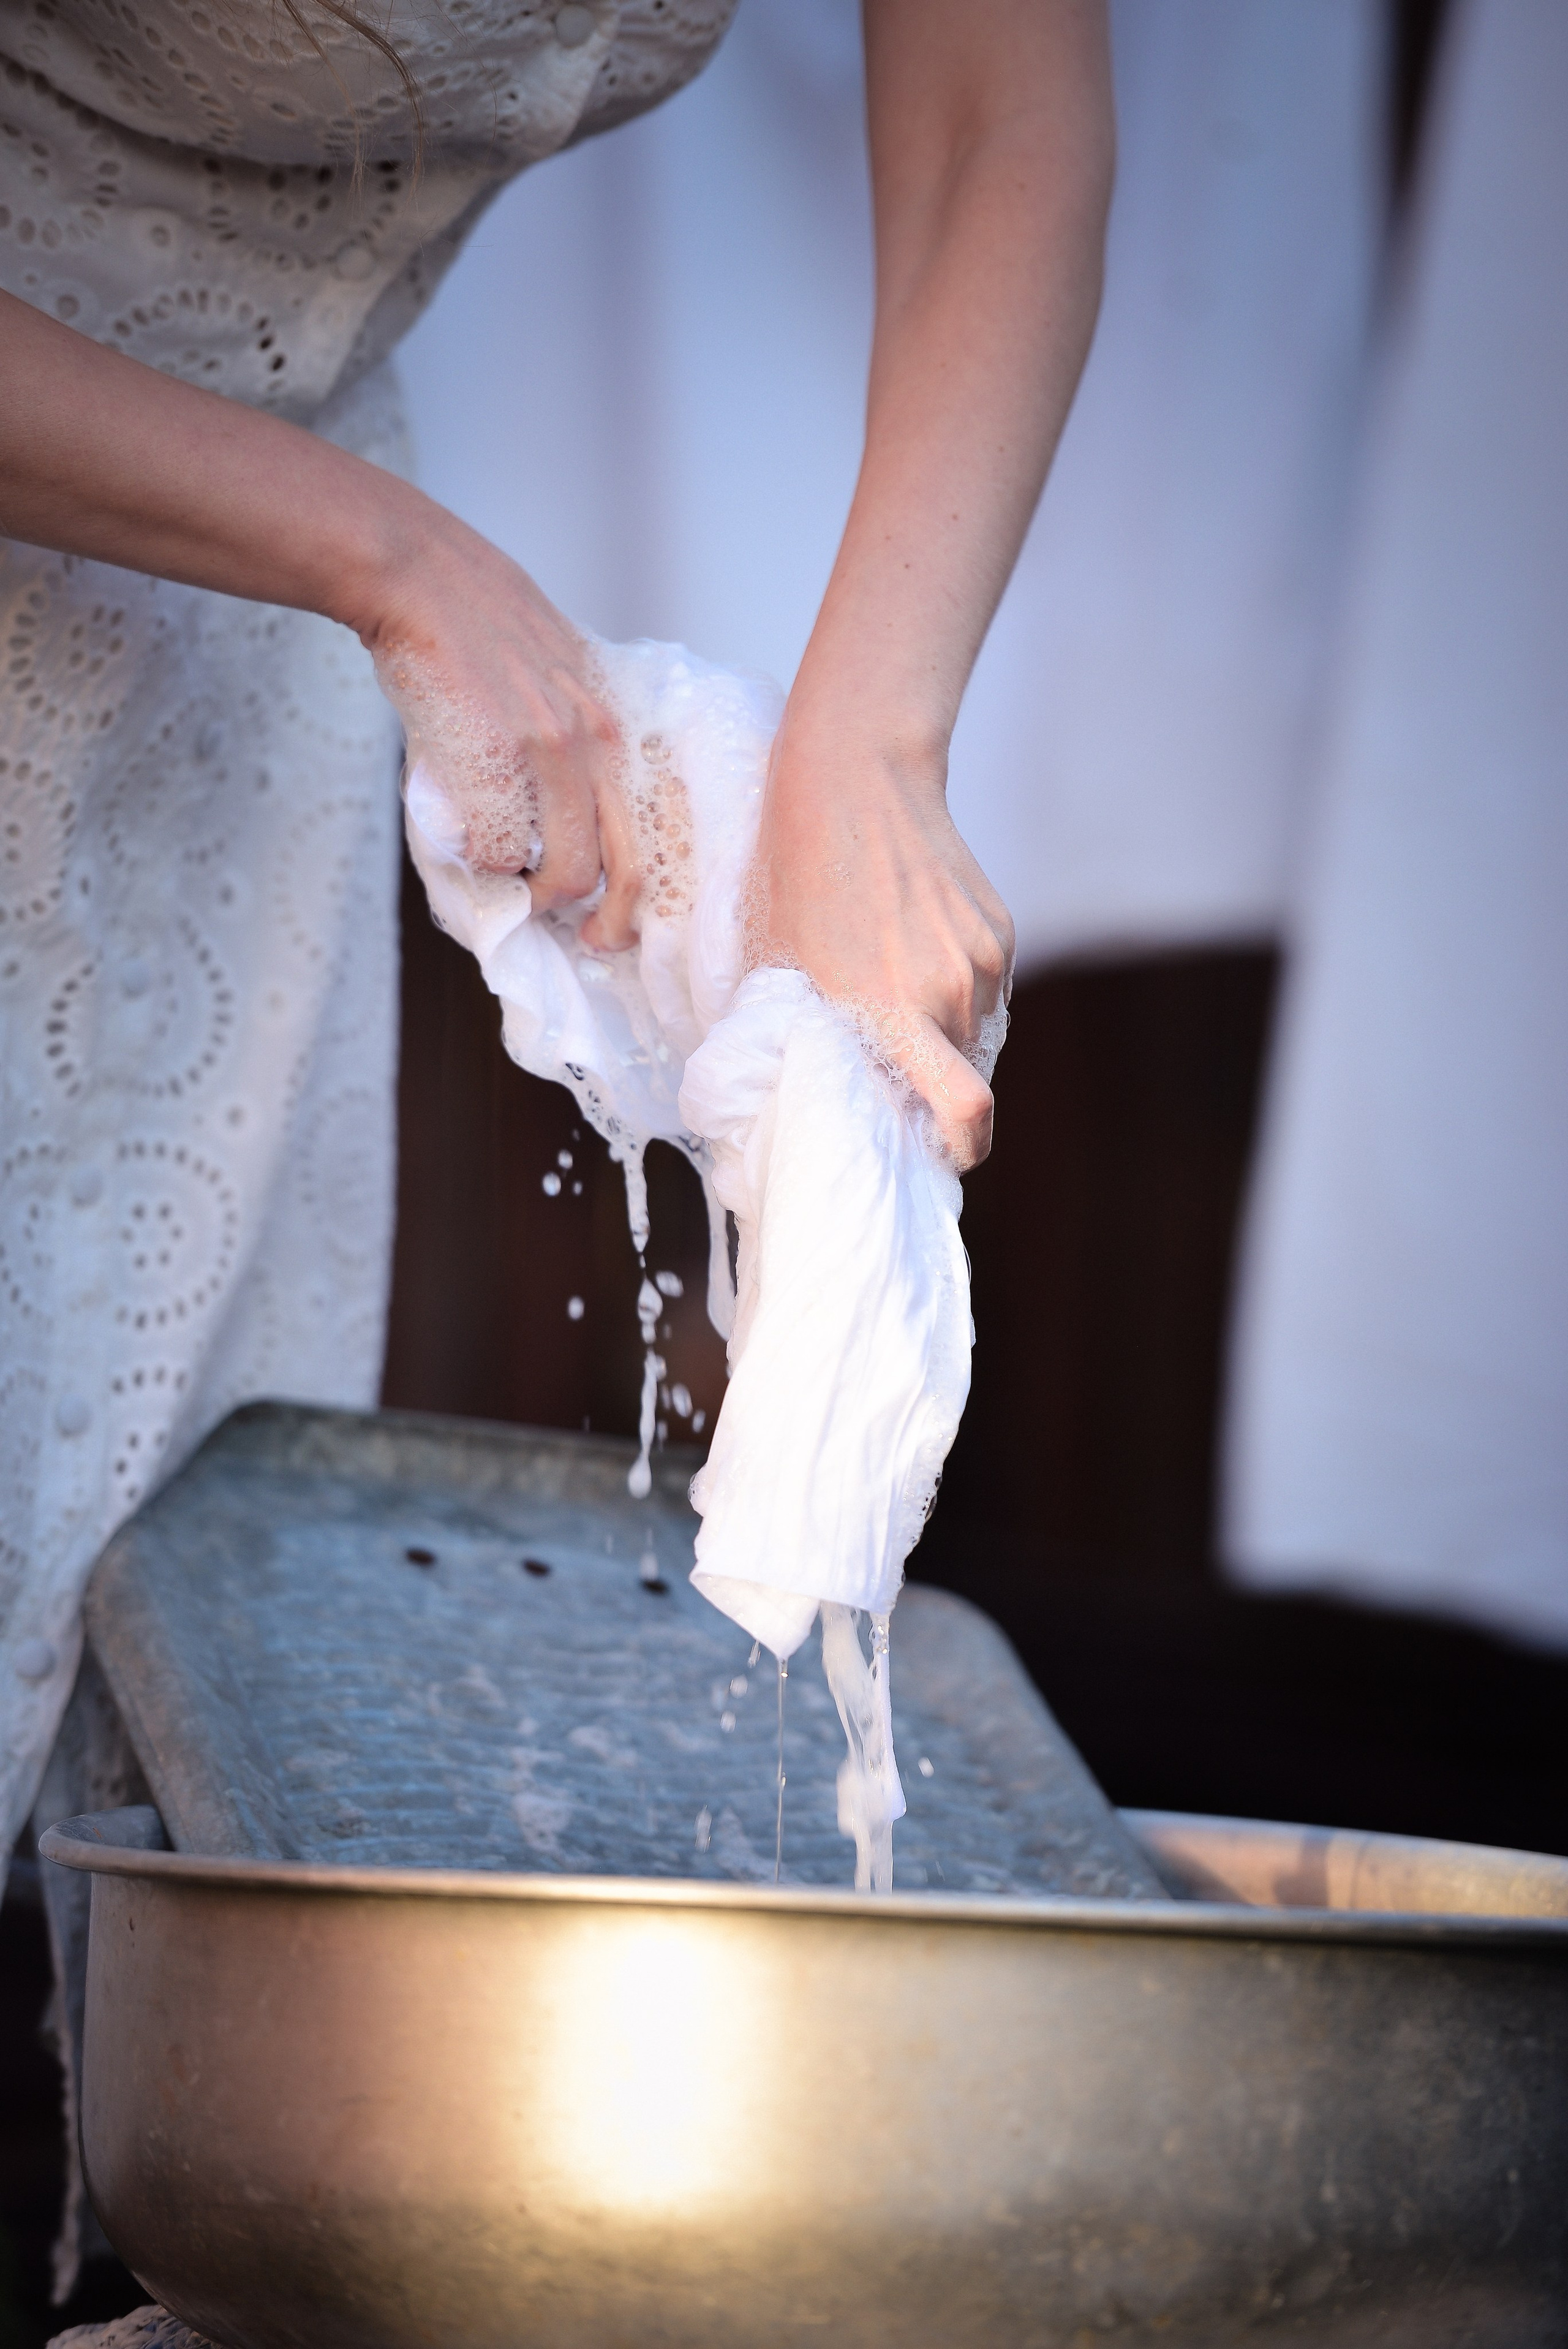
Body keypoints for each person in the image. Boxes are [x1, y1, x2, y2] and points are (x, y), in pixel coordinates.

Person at [0, 0, 1113, 1863]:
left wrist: (867, 747)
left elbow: (1002, 110)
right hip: (264, 544)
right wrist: (391, 560)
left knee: (122, 1619)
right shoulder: (376, 563)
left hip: (245, 676)